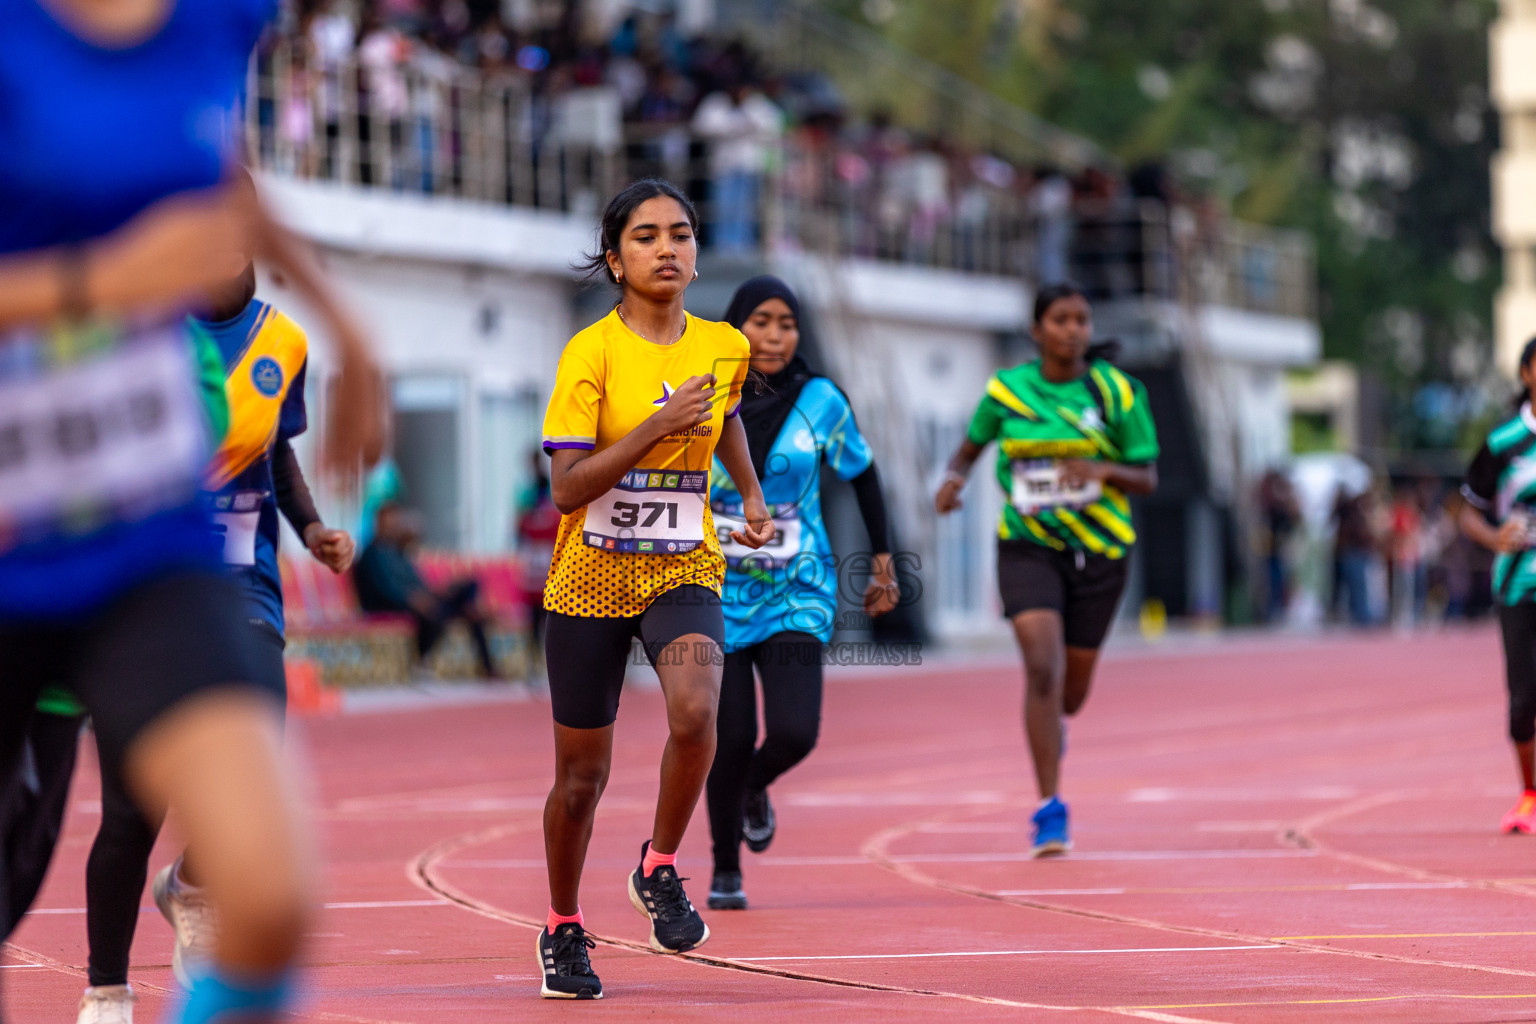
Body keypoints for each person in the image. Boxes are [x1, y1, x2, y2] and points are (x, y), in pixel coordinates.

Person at [0, 5, 384, 1024]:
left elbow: (227, 172)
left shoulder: (217, 23)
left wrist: (350, 329)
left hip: (144, 544)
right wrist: (91, 285)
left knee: (266, 893)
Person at [74, 259, 356, 1024]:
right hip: (142, 587)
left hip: (242, 587)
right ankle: (107, 988)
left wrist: (313, 528)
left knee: (257, 746)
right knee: (134, 809)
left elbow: (278, 455)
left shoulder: (283, 341)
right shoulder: (137, 326)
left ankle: (194, 882)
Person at [536, 178, 772, 999]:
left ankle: (659, 863)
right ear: (615, 259)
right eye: (646, 236)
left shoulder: (725, 346)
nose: (667, 247)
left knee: (699, 712)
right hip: (591, 570)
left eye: (680, 233)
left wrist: (747, 493)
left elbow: (727, 415)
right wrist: (654, 431)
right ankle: (563, 927)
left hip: (683, 562)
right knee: (579, 780)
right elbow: (568, 489)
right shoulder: (591, 353)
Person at [935, 282, 1158, 857]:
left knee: (1070, 694)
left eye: (1081, 319)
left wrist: (1101, 470)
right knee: (1041, 668)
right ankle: (1049, 809)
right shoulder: (1008, 391)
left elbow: (1147, 477)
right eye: (1060, 319)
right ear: (1037, 330)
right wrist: (955, 479)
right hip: (1028, 546)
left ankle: (1050, 725)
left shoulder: (1118, 393)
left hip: (1102, 552)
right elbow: (971, 445)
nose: (1073, 330)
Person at [702, 276, 898, 911]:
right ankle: (725, 865)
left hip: (798, 589)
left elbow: (864, 473)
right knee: (726, 738)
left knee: (794, 731)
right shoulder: (700, 396)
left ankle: (754, 790)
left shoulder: (822, 401)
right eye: (761, 321)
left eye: (786, 323)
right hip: (711, 591)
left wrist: (883, 559)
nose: (775, 335)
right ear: (734, 327)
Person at [1459, 337, 1536, 835]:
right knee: (1524, 698)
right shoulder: (1503, 441)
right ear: (1528, 373)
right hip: (1518, 586)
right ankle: (1529, 796)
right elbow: (1466, 510)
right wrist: (1495, 536)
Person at [354, 502, 499, 679]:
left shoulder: (398, 551)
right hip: (393, 604)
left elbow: (418, 582)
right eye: (389, 520)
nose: (393, 525)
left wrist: (436, 593)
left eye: (395, 520)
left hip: (418, 599)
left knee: (470, 586)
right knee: (434, 614)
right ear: (378, 523)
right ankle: (422, 661)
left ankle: (488, 667)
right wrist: (412, 598)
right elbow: (383, 589)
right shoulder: (372, 553)